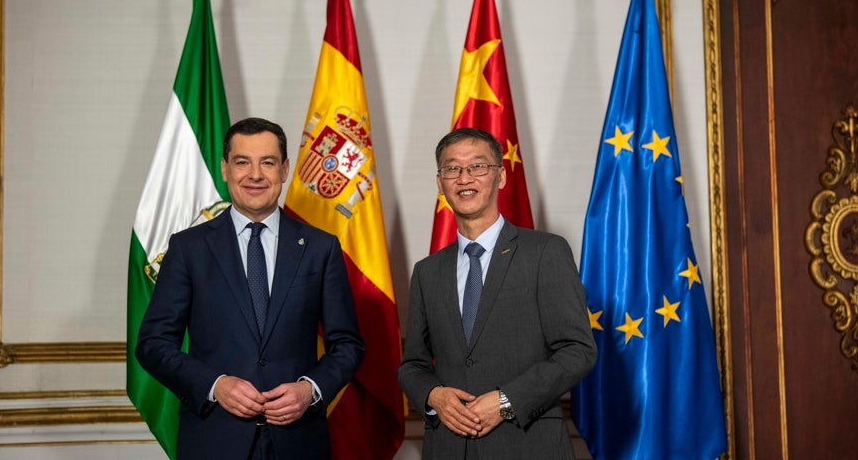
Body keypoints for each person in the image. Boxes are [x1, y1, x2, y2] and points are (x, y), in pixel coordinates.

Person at [136, 117, 365, 460]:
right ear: (225, 169)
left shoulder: (320, 248)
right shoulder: (189, 248)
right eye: (243, 162)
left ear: (285, 169)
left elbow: (347, 344)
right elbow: (153, 344)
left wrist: (310, 390)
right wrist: (215, 386)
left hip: (299, 441)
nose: (255, 174)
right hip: (213, 440)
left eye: (268, 162)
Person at [398, 128, 597, 459]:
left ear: (501, 177)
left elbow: (578, 351)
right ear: (440, 182)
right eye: (452, 169)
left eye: (477, 166)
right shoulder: (427, 271)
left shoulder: (545, 252)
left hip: (528, 444)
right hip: (449, 447)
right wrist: (434, 396)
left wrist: (506, 400)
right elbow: (412, 365)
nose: (464, 178)